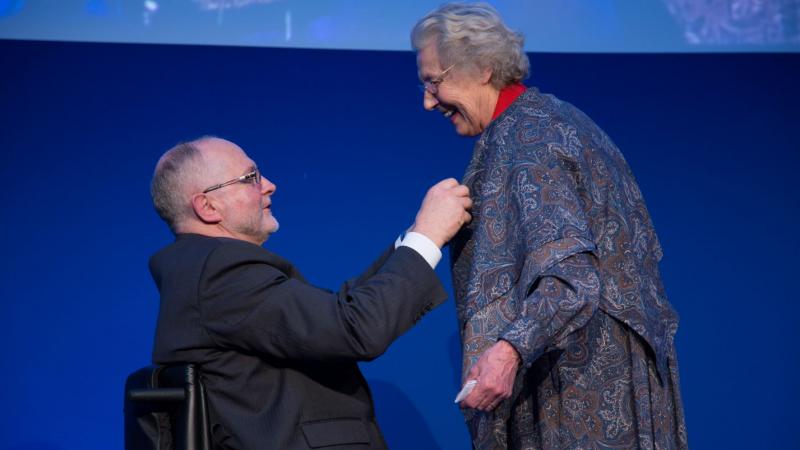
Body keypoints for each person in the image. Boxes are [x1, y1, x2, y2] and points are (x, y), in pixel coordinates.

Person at [411, 3, 687, 449]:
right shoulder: (551, 121)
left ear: (482, 69)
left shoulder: (530, 138)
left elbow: (573, 280)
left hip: (583, 397)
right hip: (597, 388)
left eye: (434, 81)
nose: (427, 101)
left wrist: (507, 352)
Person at [148, 136, 472, 449]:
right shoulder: (221, 272)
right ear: (208, 206)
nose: (269, 184)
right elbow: (354, 328)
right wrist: (429, 235)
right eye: (251, 177)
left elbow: (334, 315)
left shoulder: (201, 271)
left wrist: (415, 236)